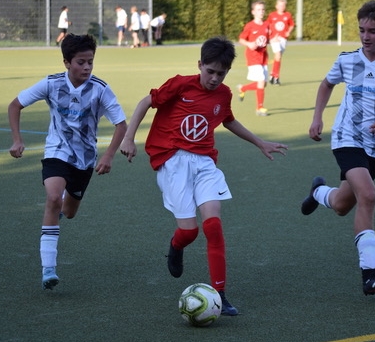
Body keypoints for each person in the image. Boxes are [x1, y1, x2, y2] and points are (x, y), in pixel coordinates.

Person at [119, 36, 288, 315]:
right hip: (173, 161)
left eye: (221, 73)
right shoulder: (180, 85)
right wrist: (128, 138)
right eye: (210, 71)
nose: (214, 78)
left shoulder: (223, 94)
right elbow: (145, 102)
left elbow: (228, 119)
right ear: (200, 65)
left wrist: (260, 142)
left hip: (205, 163)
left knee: (213, 226)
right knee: (189, 231)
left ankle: (220, 295)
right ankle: (176, 245)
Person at [300, 0, 375, 296]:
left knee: (343, 205)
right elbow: (326, 84)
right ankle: (370, 275)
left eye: (373, 31)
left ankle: (318, 192)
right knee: (368, 195)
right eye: (362, 30)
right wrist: (317, 118)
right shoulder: (347, 59)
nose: (366, 36)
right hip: (346, 137)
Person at [8, 34, 128, 290]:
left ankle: (59, 210)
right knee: (53, 198)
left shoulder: (100, 89)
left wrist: (108, 155)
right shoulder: (51, 84)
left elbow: (121, 125)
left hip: (84, 160)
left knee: (69, 212)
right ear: (66, 62)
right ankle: (48, 269)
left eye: (90, 62)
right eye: (80, 62)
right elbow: (15, 105)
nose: (86, 67)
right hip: (57, 152)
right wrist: (17, 140)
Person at [237, 0, 270, 116]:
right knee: (261, 82)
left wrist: (273, 40)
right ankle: (259, 108)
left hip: (263, 57)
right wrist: (249, 44)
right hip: (253, 57)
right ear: (253, 12)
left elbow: (266, 40)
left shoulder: (267, 25)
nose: (261, 12)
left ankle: (243, 88)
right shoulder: (250, 25)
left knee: (263, 84)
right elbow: (241, 40)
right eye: (258, 10)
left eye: (263, 9)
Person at [267, 0, 295, 85]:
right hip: (274, 38)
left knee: (278, 58)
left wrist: (288, 32)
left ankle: (272, 75)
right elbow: (267, 25)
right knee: (278, 55)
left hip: (283, 39)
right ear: (276, 6)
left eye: (283, 5)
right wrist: (269, 33)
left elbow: (292, 25)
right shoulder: (272, 15)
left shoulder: (288, 15)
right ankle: (276, 77)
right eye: (280, 5)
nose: (281, 7)